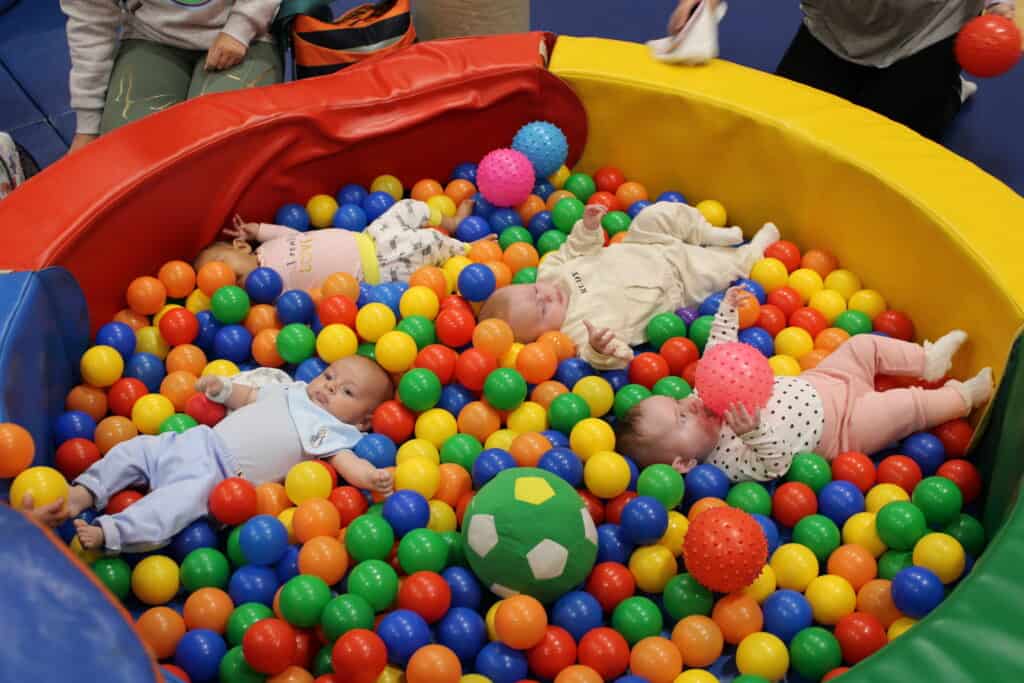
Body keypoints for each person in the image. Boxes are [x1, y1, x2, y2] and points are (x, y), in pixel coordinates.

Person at [614, 287, 994, 482]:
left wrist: (726, 313)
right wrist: (752, 433)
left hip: (825, 379)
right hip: (845, 429)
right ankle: (962, 397)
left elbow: (719, 356)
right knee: (905, 407)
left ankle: (928, 361)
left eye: (679, 403)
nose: (690, 405)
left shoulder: (706, 397)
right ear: (684, 463)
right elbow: (775, 464)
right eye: (681, 419)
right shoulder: (724, 461)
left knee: (863, 345)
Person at [33, 355, 395, 553]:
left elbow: (349, 464)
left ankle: (111, 533)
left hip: (217, 481)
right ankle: (84, 492)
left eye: (347, 392)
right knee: (134, 449)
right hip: (196, 442)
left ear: (363, 421)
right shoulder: (290, 391)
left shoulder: (329, 433)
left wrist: (371, 478)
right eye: (329, 376)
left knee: (170, 509)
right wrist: (221, 388)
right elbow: (247, 396)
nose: (329, 387)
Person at [477, 202, 780, 370]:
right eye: (543, 310)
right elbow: (608, 357)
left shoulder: (550, 274)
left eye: (534, 292)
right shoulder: (577, 334)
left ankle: (705, 232)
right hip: (678, 283)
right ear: (544, 336)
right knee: (722, 269)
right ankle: (752, 252)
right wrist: (603, 350)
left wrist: (588, 228)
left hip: (643, 244)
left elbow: (574, 249)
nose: (545, 296)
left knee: (656, 215)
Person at [668, 0, 1017, 141]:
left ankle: (947, 90)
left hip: (927, 29)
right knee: (786, 137)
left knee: (889, 149)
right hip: (837, 25)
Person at [61, 0, 284, 153]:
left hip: (249, 38)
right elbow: (90, 22)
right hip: (152, 37)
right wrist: (88, 127)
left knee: (220, 147)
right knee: (127, 154)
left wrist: (241, 27)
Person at [195, 198, 483, 289]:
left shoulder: (266, 248)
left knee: (408, 206)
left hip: (371, 236)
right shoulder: (269, 295)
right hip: (377, 271)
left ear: (241, 248)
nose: (220, 278)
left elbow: (289, 234)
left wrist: (258, 230)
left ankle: (453, 222)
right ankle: (471, 250)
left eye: (219, 265)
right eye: (212, 283)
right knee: (428, 243)